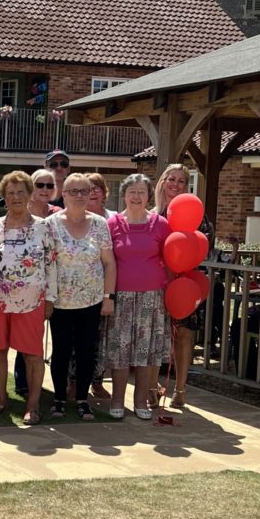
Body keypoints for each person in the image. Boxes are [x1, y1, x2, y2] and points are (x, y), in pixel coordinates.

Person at [0, 170, 55, 424]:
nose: (16, 197)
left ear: (30, 195)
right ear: (4, 198)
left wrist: (50, 299)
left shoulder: (43, 228)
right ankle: (0, 399)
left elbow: (52, 265)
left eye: (21, 192)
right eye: (10, 193)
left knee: (32, 354)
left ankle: (32, 405)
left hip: (31, 301)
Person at [44, 173, 116, 420]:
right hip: (60, 301)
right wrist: (47, 299)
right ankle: (59, 398)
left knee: (87, 350)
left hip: (92, 300)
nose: (78, 196)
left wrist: (109, 297)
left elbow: (109, 263)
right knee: (61, 350)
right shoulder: (51, 224)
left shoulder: (99, 224)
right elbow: (45, 263)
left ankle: (83, 399)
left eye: (83, 191)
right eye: (73, 191)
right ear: (63, 195)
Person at [105, 173, 171, 420]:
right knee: (120, 351)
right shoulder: (111, 225)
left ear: (148, 195)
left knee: (145, 351)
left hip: (152, 298)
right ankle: (117, 401)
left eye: (142, 191)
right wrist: (107, 296)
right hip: (120, 297)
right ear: (124, 195)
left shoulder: (161, 224)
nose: (136, 196)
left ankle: (141, 400)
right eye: (132, 191)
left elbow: (171, 260)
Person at [154, 163, 214, 407]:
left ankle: (180, 389)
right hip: (157, 282)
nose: (176, 185)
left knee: (183, 336)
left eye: (181, 181)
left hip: (186, 283)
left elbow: (205, 245)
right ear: (163, 182)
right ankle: (154, 386)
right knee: (156, 336)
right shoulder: (153, 214)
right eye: (172, 179)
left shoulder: (197, 214)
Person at [12, 167, 61, 397]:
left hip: (50, 285)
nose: (44, 189)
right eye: (40, 185)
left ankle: (40, 384)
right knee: (19, 337)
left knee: (37, 339)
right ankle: (21, 382)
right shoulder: (21, 212)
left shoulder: (59, 213)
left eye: (49, 185)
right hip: (20, 288)